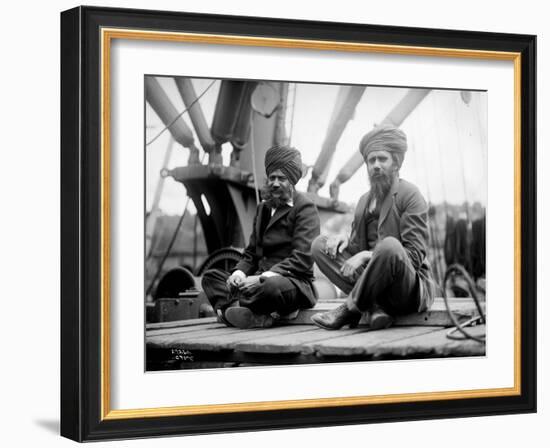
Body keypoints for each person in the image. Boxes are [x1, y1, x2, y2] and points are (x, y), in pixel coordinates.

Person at [310, 125, 436, 331]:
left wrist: (368, 255)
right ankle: (375, 306)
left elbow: (413, 256)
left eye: (382, 159)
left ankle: (350, 310)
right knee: (319, 245)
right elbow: (356, 248)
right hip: (374, 281)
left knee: (389, 246)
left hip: (405, 287)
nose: (376, 165)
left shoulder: (410, 194)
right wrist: (344, 240)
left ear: (396, 163)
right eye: (371, 160)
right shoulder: (362, 202)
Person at [202, 145, 321, 329]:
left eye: (281, 178)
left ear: (292, 180)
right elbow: (251, 254)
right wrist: (239, 274)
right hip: (257, 280)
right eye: (271, 177)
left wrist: (261, 279)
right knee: (211, 277)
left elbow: (302, 259)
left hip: (291, 282)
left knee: (270, 288)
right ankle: (253, 313)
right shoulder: (263, 208)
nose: (274, 183)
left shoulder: (305, 208)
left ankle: (232, 309)